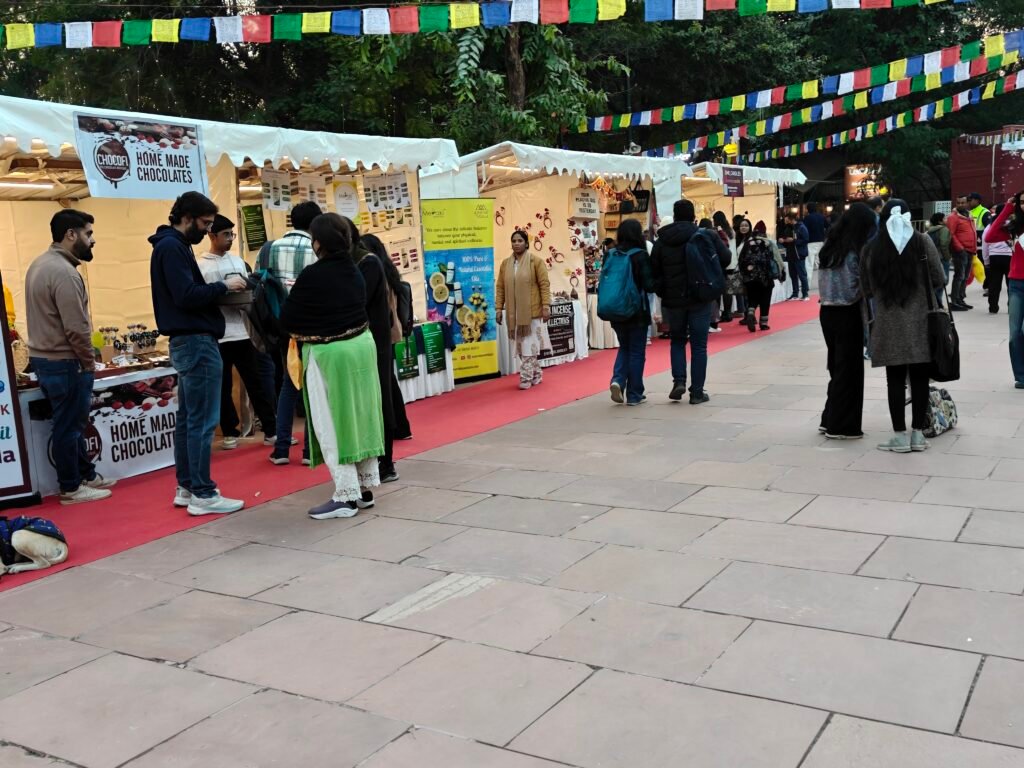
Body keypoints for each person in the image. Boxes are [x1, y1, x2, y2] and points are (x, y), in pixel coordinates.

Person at [280, 213, 384, 519]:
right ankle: (363, 490)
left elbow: (287, 319)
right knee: (360, 418)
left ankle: (346, 495)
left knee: (332, 424)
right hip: (362, 348)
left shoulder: (314, 275)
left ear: (318, 243)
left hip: (331, 355)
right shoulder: (353, 268)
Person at [150, 192, 248, 515]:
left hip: (188, 339)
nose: (206, 230)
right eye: (205, 223)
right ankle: (203, 492)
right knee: (202, 421)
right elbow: (186, 295)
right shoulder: (172, 248)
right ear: (188, 217)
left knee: (189, 419)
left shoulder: (170, 247)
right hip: (195, 340)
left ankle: (188, 486)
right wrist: (223, 286)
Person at [26, 210, 114, 505]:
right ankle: (71, 487)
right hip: (64, 361)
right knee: (68, 425)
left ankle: (84, 475)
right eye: (88, 233)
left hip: (48, 359)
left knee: (72, 422)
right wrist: (88, 362)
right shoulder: (64, 272)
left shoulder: (40, 264)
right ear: (71, 234)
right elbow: (76, 328)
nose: (93, 240)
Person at [862, 199, 946, 453]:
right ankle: (918, 435)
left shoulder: (871, 248)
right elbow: (939, 277)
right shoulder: (922, 241)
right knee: (920, 378)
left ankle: (899, 436)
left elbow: (866, 288)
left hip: (888, 322)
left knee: (895, 379)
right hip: (920, 320)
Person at [197, 214, 277, 450]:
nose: (230, 239)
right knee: (221, 386)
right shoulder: (201, 265)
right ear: (212, 235)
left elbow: (250, 290)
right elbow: (199, 296)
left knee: (256, 382)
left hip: (243, 331)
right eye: (226, 235)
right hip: (218, 334)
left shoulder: (238, 261)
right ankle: (229, 431)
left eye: (232, 234)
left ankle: (271, 429)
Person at [257, 200, 322, 464]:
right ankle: (308, 452)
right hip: (313, 326)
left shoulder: (268, 248)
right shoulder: (317, 249)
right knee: (312, 384)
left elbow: (258, 285)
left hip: (280, 326)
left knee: (288, 383)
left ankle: (281, 448)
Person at [652, 200, 729, 404]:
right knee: (699, 345)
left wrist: (664, 291)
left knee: (677, 340)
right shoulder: (705, 235)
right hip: (700, 296)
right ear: (693, 215)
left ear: (675, 216)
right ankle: (696, 392)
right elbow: (727, 258)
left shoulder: (662, 240)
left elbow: (654, 272)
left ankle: (679, 380)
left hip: (673, 299)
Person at [817, 202, 874, 440]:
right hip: (848, 312)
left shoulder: (829, 249)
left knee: (837, 366)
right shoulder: (855, 252)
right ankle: (841, 425)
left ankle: (829, 417)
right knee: (849, 370)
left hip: (827, 312)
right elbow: (863, 286)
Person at [348, 228, 400, 485]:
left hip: (373, 341)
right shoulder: (359, 263)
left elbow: (362, 302)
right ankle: (376, 461)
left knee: (382, 399)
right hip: (367, 341)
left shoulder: (367, 264)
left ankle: (385, 461)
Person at [363, 234, 413, 444]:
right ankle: (400, 425)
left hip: (381, 331)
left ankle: (395, 425)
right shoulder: (388, 270)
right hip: (391, 331)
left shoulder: (375, 271)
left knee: (386, 381)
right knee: (389, 380)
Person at [606, 219, 655, 405]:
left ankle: (618, 380)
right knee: (636, 351)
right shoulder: (640, 255)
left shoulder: (611, 254)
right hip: (637, 310)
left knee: (624, 347)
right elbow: (649, 285)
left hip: (615, 309)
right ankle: (634, 394)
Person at [495, 230, 551, 390]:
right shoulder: (506, 264)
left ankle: (526, 378)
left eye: (520, 240)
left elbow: (544, 285)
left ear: (527, 243)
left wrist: (546, 306)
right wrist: (499, 308)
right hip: (514, 314)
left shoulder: (536, 262)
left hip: (531, 313)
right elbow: (500, 288)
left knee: (528, 346)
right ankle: (536, 373)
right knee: (520, 347)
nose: (516, 243)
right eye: (514, 241)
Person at [984, 194, 1024, 387]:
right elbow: (990, 236)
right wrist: (1008, 207)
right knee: (1015, 333)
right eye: (1022, 202)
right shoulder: (1014, 226)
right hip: (1016, 283)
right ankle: (1021, 376)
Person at [737, 219, 785, 332]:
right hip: (765, 276)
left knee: (752, 296)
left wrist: (744, 273)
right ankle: (763, 323)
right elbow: (778, 260)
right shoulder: (769, 243)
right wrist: (782, 273)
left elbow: (741, 259)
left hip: (750, 276)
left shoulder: (748, 242)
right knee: (765, 298)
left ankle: (750, 311)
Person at [946, 195, 978, 311]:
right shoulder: (953, 217)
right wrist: (959, 248)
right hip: (960, 251)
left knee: (965, 276)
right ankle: (954, 301)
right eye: (958, 203)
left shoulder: (968, 215)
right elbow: (951, 233)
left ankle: (960, 299)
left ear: (967, 203)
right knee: (959, 276)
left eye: (962, 203)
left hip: (970, 250)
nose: (960, 205)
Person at [983, 205, 1012, 314]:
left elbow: (985, 245)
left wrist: (986, 261)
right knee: (1011, 285)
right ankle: (1012, 307)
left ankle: (993, 307)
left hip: (994, 257)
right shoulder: (1011, 225)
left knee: (994, 284)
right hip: (1009, 257)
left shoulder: (990, 226)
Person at [779, 213, 810, 300]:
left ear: (791, 219)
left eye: (787, 219)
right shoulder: (788, 228)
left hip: (799, 254)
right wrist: (784, 241)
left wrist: (794, 240)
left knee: (802, 274)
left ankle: (805, 294)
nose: (785, 221)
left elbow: (806, 240)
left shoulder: (801, 227)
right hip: (790, 254)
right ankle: (795, 293)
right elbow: (787, 241)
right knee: (793, 275)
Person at [925, 212, 952, 302]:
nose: (946, 220)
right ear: (940, 221)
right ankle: (938, 303)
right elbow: (944, 244)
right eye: (944, 218)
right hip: (941, 258)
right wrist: (947, 257)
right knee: (943, 281)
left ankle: (933, 303)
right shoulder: (944, 229)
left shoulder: (929, 231)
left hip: (931, 258)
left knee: (934, 281)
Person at [803, 203, 828, 268]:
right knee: (818, 262)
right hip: (821, 241)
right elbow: (828, 226)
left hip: (810, 242)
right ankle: (818, 277)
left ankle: (808, 278)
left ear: (808, 209)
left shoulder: (807, 218)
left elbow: (804, 230)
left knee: (809, 263)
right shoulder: (822, 217)